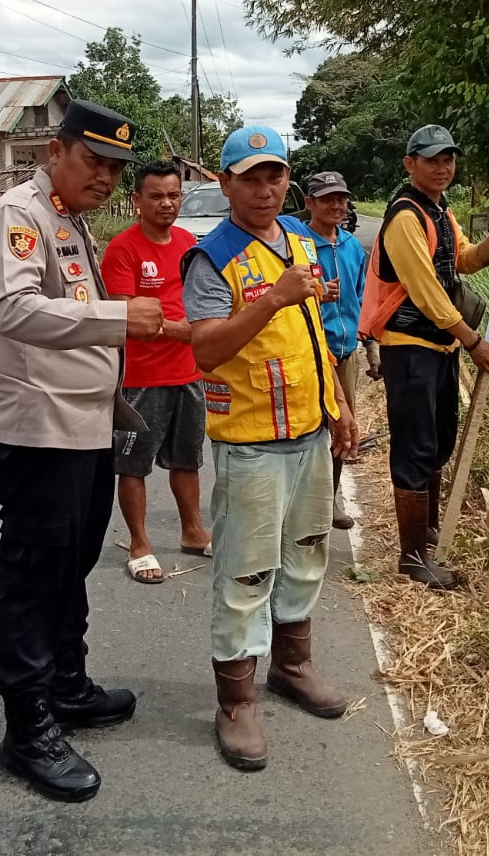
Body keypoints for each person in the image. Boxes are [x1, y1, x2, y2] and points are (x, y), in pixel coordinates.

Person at [0, 100, 164, 803]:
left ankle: (67, 684)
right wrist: (118, 317)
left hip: (83, 428)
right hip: (40, 433)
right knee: (32, 580)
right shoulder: (17, 216)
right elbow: (12, 310)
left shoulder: (68, 219)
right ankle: (26, 729)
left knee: (73, 566)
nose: (107, 178)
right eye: (95, 162)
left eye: (117, 167)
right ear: (56, 150)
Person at [183, 126, 358, 772]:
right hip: (252, 443)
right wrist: (273, 299)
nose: (265, 189)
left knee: (307, 554)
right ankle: (235, 701)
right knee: (246, 571)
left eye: (275, 176)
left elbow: (311, 332)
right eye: (250, 177)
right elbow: (205, 349)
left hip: (310, 434)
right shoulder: (213, 257)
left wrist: (339, 408)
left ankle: (291, 665)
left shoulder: (298, 239)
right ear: (225, 183)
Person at [359, 125, 489, 592]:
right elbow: (426, 291)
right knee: (415, 447)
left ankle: (426, 535)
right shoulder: (406, 215)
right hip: (410, 346)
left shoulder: (439, 211)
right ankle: (411, 558)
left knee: (439, 440)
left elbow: (461, 261)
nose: (442, 167)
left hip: (439, 347)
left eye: (448, 158)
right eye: (431, 159)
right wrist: (472, 340)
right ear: (410, 164)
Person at [101, 161, 212, 586]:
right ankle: (140, 544)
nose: (167, 203)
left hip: (187, 373)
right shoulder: (123, 250)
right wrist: (181, 331)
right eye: (156, 196)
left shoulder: (186, 241)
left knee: (187, 460)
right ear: (137, 201)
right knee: (133, 465)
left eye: (173, 195)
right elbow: (125, 317)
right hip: (140, 380)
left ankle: (192, 530)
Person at [302, 170, 370, 531]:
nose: (337, 205)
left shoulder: (352, 246)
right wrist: (315, 290)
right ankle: (306, 503)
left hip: (345, 351)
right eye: (328, 198)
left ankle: (329, 501)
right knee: (310, 428)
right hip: (312, 351)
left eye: (341, 198)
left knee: (343, 429)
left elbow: (361, 296)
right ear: (310, 203)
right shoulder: (298, 244)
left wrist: (368, 341)